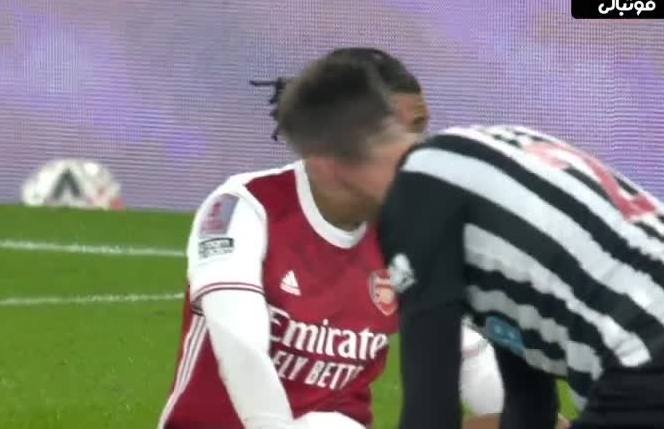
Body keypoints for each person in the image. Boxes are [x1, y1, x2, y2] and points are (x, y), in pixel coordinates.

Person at [273, 55, 664, 429]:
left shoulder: (416, 197)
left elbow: (432, 402)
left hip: (657, 371)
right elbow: (530, 400)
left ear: (325, 167)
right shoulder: (494, 152)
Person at [158, 48, 509, 429]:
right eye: (393, 133)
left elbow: (467, 356)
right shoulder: (244, 208)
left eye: (420, 127)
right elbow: (243, 351)